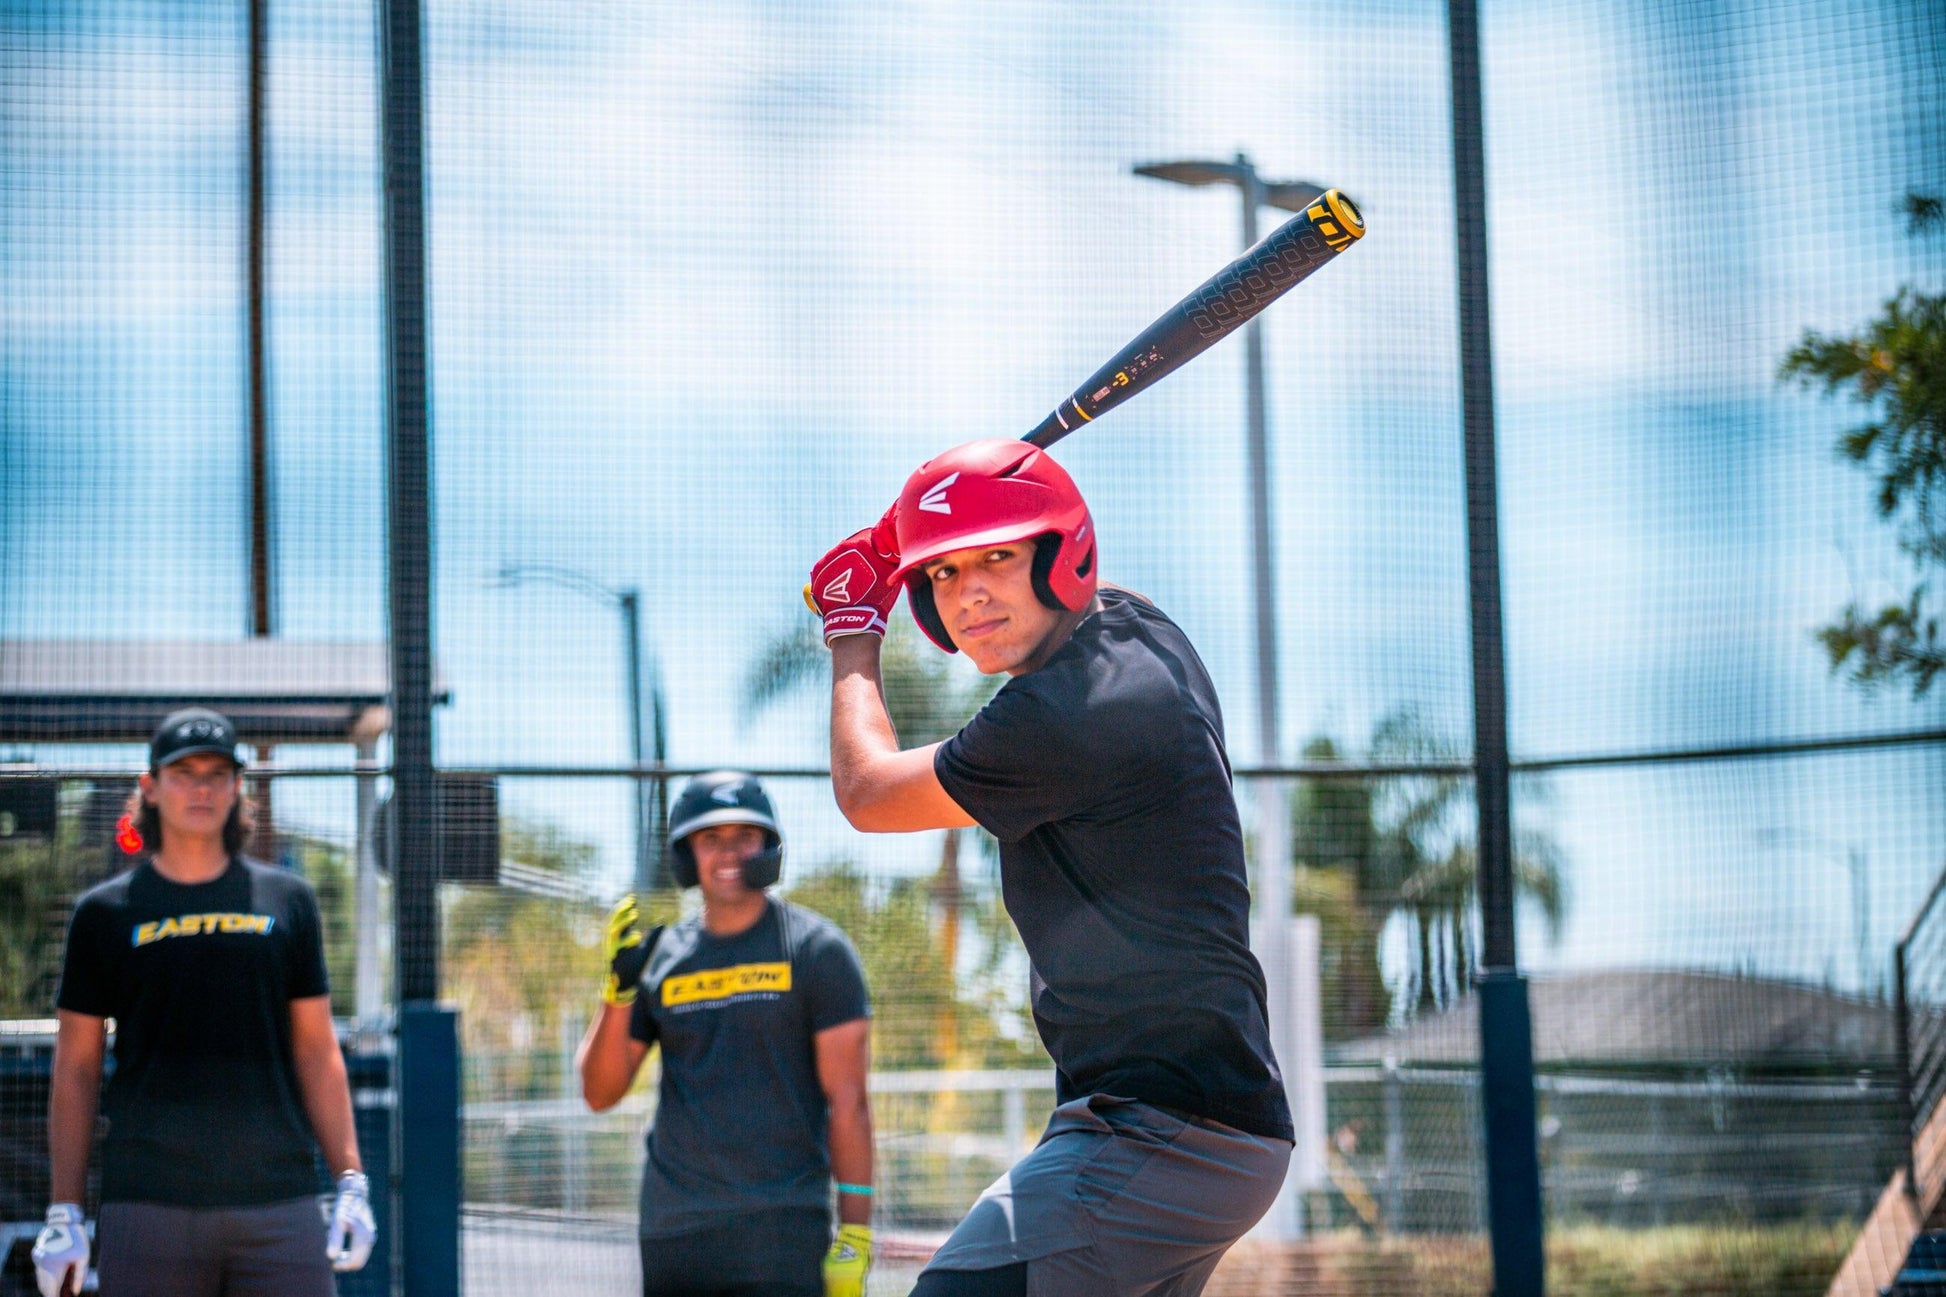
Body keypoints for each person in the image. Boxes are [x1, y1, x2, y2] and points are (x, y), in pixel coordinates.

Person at [807, 439, 1294, 1297]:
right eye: (944, 571)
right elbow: (1107, 584)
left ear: (1059, 556)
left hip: (1165, 1131)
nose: (969, 593)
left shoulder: (1064, 713)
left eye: (997, 557)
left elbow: (868, 792)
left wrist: (854, 629)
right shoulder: (1144, 633)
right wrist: (918, 529)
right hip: (1181, 1125)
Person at [31, 707, 374, 1297]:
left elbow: (318, 1051)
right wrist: (65, 1209)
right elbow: (77, 1065)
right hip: (148, 1206)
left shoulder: (289, 900)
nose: (202, 788)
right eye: (184, 773)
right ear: (150, 787)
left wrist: (351, 1180)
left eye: (217, 773)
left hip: (279, 1201)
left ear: (238, 786)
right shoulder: (103, 913)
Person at [576, 771, 875, 1297]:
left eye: (745, 836)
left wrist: (855, 1234)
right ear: (686, 853)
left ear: (769, 846)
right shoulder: (660, 959)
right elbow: (600, 1093)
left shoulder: (818, 951)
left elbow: (849, 1102)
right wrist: (617, 994)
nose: (728, 852)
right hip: (675, 1229)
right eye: (710, 838)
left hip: (783, 1228)